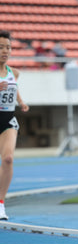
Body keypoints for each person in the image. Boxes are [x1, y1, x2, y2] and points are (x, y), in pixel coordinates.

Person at [0, 31, 30, 220]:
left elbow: (14, 87)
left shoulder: (14, 72)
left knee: (8, 159)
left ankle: (0, 203)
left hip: (7, 119)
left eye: (8, 47)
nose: (5, 51)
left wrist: (21, 102)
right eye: (1, 47)